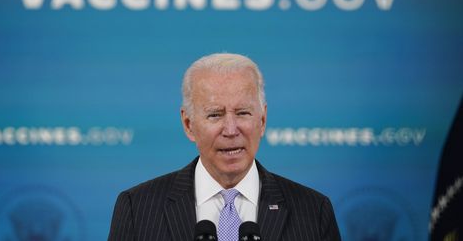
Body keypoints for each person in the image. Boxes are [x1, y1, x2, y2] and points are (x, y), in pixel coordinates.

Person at [108, 53, 341, 241]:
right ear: (188, 124)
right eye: (215, 115)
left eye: (243, 113)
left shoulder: (313, 211)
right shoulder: (137, 209)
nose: (231, 130)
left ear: (262, 120)